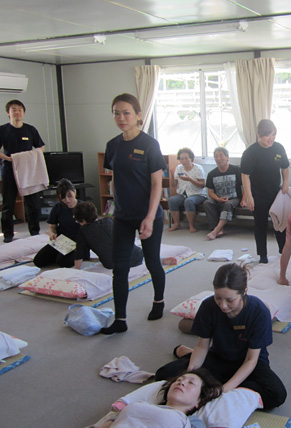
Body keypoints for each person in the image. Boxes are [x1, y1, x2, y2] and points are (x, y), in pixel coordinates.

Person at [155, 263, 287, 410]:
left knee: (276, 395)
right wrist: (191, 376)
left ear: (244, 292)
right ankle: (201, 368)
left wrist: (223, 390)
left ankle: (208, 375)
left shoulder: (259, 312)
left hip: (249, 362)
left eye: (230, 300)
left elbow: (251, 360)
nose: (223, 305)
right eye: (218, 298)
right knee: (163, 375)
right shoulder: (208, 306)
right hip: (219, 357)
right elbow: (202, 346)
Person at [101, 93, 167, 334]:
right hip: (122, 216)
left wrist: (149, 217)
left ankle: (159, 301)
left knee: (152, 262)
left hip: (148, 215)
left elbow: (157, 184)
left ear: (138, 115)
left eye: (126, 113)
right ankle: (120, 319)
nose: (121, 118)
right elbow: (116, 177)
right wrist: (114, 207)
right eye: (116, 113)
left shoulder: (150, 144)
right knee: (119, 268)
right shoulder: (112, 146)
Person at [100, 368, 222, 428]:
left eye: (191, 383)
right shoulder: (142, 404)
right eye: (179, 380)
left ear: (199, 401)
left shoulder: (190, 422)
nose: (181, 382)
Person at [73, 201, 177, 270]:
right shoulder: (108, 220)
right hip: (134, 255)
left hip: (112, 264)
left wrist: (76, 271)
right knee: (143, 253)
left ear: (82, 220)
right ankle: (160, 260)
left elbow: (79, 254)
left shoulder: (83, 231)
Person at [241, 119, 290, 264]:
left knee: (280, 224)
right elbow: (245, 175)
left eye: (273, 134)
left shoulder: (279, 148)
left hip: (276, 193)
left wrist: (285, 183)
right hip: (258, 195)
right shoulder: (250, 152)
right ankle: (262, 255)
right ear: (259, 135)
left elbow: (285, 167)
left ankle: (283, 250)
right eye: (267, 135)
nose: (271, 138)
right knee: (260, 225)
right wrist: (249, 196)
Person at [0, 100, 45, 243]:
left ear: (23, 113)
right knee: (8, 204)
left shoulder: (30, 130)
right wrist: (9, 158)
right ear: (8, 113)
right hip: (9, 170)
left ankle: (35, 232)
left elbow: (41, 147)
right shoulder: (2, 130)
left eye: (20, 110)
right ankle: (8, 234)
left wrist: (30, 157)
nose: (17, 112)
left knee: (33, 204)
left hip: (29, 171)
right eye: (13, 110)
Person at [33, 179, 80, 268]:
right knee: (38, 261)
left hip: (76, 244)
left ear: (75, 192)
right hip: (61, 241)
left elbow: (91, 228)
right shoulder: (57, 207)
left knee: (63, 262)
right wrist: (52, 233)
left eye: (69, 196)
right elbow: (52, 227)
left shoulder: (83, 207)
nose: (67, 200)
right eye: (63, 197)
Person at [202, 147, 244, 240]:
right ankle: (216, 228)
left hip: (234, 198)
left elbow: (245, 186)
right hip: (218, 198)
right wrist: (217, 198)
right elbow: (210, 192)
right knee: (207, 203)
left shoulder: (236, 170)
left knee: (228, 204)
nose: (218, 158)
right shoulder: (212, 174)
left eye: (221, 155)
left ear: (227, 157)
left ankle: (216, 230)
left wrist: (244, 199)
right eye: (216, 156)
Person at [168, 148, 207, 233]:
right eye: (181, 159)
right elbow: (174, 184)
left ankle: (191, 226)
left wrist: (190, 179)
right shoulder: (179, 168)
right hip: (183, 194)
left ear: (191, 158)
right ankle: (177, 224)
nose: (184, 161)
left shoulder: (198, 168)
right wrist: (172, 174)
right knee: (172, 200)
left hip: (198, 194)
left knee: (188, 201)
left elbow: (202, 185)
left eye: (186, 158)